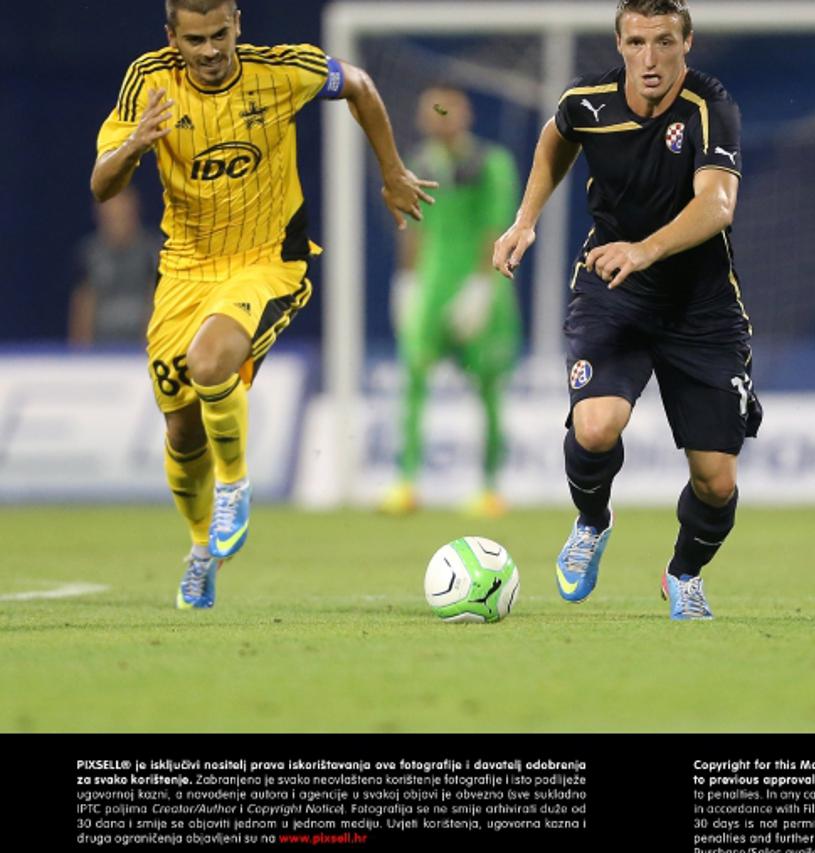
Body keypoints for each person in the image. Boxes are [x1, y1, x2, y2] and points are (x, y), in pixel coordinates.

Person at [91, 0, 435, 608]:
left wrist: (391, 171)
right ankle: (202, 551)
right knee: (179, 426)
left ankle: (234, 484)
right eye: (195, 39)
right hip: (184, 270)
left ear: (238, 23)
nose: (210, 50)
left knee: (210, 363)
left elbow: (360, 84)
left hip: (268, 261)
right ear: (173, 37)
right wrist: (135, 146)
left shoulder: (282, 72)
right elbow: (101, 184)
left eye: (220, 34)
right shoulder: (148, 82)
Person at [492, 0, 761, 620]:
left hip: (702, 307)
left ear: (686, 43)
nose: (650, 59)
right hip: (612, 288)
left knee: (716, 480)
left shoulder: (709, 107)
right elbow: (556, 137)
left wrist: (646, 249)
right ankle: (591, 521)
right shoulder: (588, 103)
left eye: (664, 42)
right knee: (594, 427)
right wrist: (525, 220)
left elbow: (718, 205)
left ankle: (683, 574)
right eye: (637, 42)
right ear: (619, 45)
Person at [381, 85, 521, 519]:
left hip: (483, 290)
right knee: (414, 382)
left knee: (489, 388)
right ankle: (406, 483)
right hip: (430, 287)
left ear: (466, 116)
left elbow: (495, 227)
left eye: (447, 112)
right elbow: (412, 228)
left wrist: (481, 287)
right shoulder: (418, 165)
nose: (440, 120)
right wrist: (406, 281)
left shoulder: (492, 164)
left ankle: (491, 487)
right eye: (432, 113)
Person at [69, 187, 164, 347]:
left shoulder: (152, 253)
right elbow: (83, 306)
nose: (117, 221)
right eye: (111, 216)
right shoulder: (90, 255)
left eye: (122, 216)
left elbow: (157, 303)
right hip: (100, 355)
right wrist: (82, 359)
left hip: (139, 353)